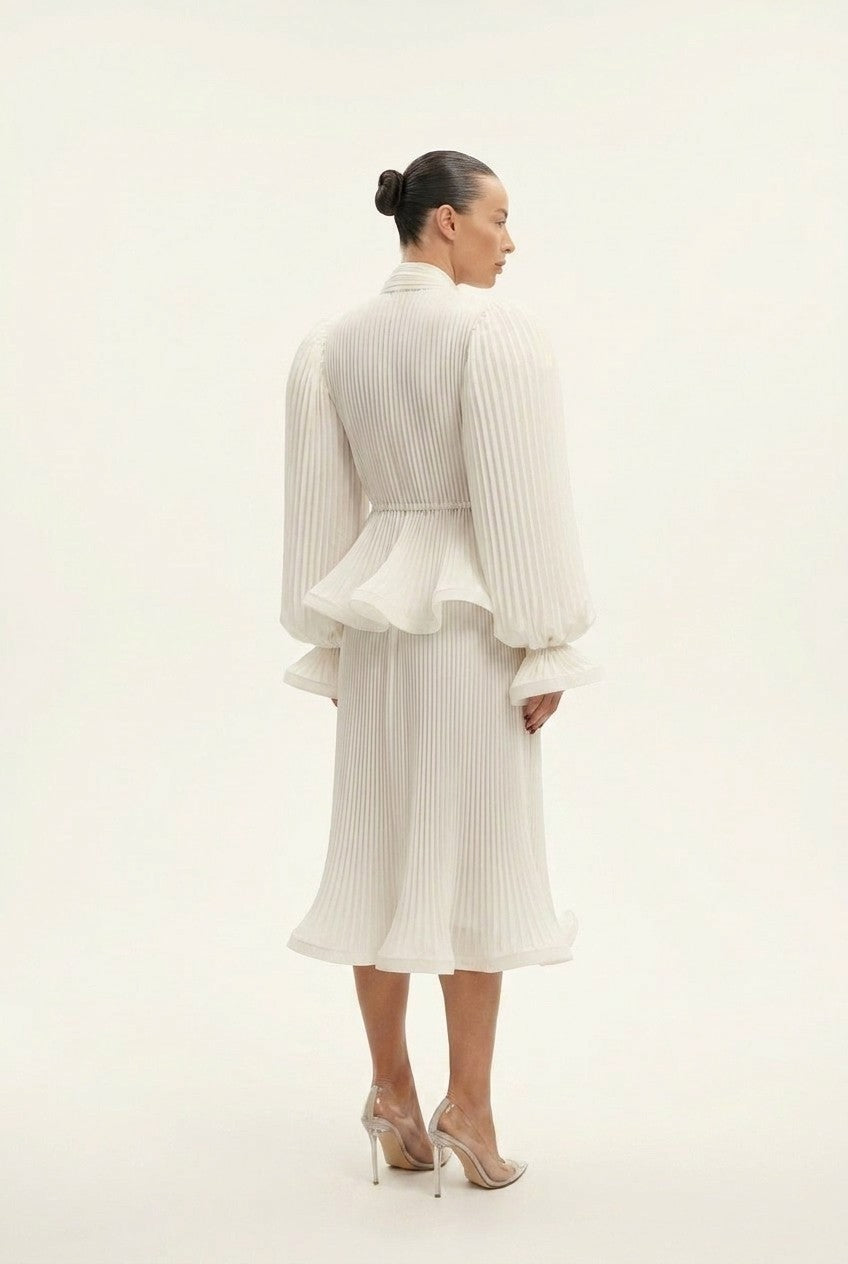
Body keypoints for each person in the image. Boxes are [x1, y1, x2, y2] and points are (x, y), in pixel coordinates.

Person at [279, 150, 604, 1195]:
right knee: (474, 859)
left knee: (375, 851)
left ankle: (390, 1091)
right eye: (498, 217)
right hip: (469, 628)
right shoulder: (489, 333)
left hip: (375, 624)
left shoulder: (331, 344)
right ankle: (470, 1107)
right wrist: (543, 639)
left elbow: (316, 512)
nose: (511, 240)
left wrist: (330, 637)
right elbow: (521, 498)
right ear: (448, 221)